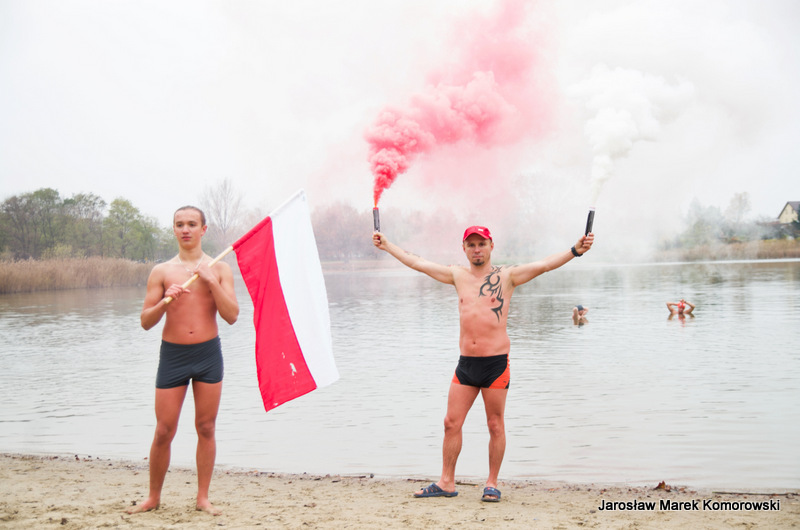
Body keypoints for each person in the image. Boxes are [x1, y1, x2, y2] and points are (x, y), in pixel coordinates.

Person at [372, 225, 594, 502]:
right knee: (451, 422)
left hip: (495, 365)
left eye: (482, 244)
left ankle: (491, 483)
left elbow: (545, 265)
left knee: (495, 425)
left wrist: (575, 251)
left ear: (491, 246)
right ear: (464, 249)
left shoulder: (508, 276)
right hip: (466, 364)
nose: (477, 249)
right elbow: (417, 263)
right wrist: (387, 245)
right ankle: (446, 482)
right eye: (472, 245)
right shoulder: (457, 275)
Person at [126, 206, 239, 516]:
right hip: (173, 356)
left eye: (191, 224)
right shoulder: (161, 272)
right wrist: (166, 302)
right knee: (164, 430)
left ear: (203, 229)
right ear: (174, 229)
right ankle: (153, 497)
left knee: (206, 427)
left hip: (208, 354)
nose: (185, 229)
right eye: (179, 224)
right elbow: (145, 322)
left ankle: (203, 498)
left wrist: (211, 281)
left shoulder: (220, 268)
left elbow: (232, 316)